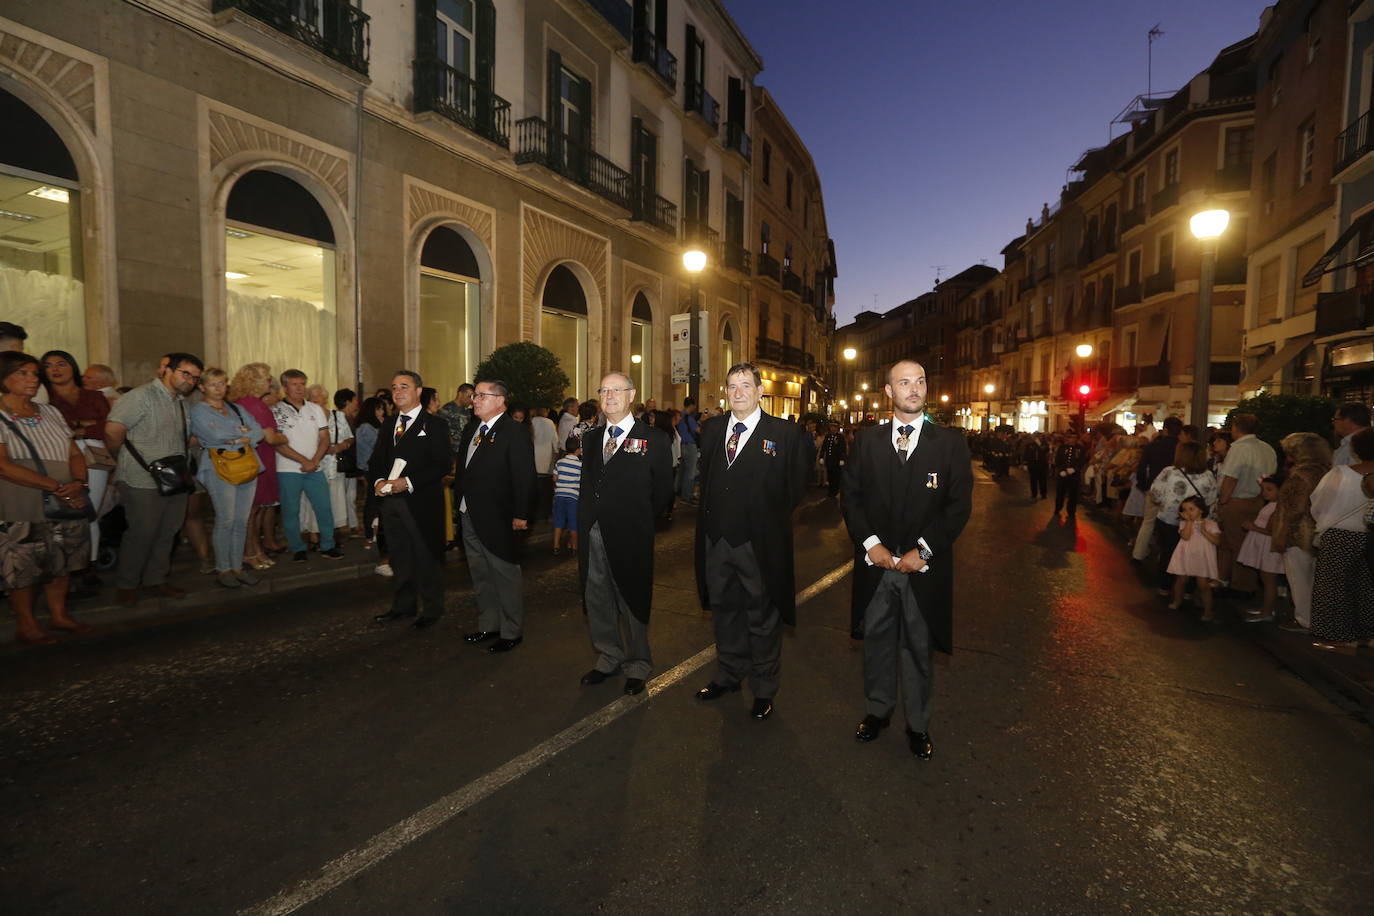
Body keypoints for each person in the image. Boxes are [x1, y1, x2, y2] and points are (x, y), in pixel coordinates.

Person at [841, 360, 973, 760]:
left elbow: (957, 507)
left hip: (923, 571)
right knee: (878, 643)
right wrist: (871, 545)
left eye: (919, 382)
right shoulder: (866, 442)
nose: (914, 389)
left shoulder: (951, 443)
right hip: (876, 569)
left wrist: (924, 551)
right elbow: (852, 498)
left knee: (918, 648)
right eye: (904, 383)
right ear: (888, 392)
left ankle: (918, 725)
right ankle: (878, 712)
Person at [693, 362, 810, 720]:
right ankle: (729, 674)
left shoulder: (785, 435)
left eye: (745, 385)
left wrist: (764, 519)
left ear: (760, 391)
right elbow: (708, 480)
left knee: (762, 619)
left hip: (758, 544)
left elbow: (796, 486)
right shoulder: (711, 430)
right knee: (725, 612)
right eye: (732, 386)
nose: (738, 392)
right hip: (716, 542)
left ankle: (763, 688)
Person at [576, 372, 674, 695]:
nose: (609, 396)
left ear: (632, 395)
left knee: (631, 599)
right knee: (597, 598)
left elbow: (663, 492)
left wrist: (640, 520)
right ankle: (608, 657)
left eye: (617, 390)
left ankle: (638, 664)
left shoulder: (653, 439)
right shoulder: (590, 439)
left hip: (631, 535)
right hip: (593, 534)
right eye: (604, 390)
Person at [0, 351, 93, 644]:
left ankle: (58, 615)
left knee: (62, 558)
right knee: (24, 562)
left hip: (65, 495)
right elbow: (2, 465)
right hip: (21, 498)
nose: (32, 379)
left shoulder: (50, 411)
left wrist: (78, 481)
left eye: (33, 374)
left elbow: (74, 452)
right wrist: (55, 485)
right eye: (23, 373)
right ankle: (27, 624)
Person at [104, 352, 202, 607]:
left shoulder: (181, 403)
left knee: (168, 531)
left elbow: (182, 438)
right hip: (141, 478)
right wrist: (123, 460)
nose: (190, 380)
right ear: (166, 368)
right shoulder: (139, 396)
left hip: (175, 476)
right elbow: (113, 431)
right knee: (142, 532)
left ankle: (156, 580)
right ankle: (127, 585)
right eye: (185, 373)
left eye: (194, 377)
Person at [452, 378, 536, 652]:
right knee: (480, 572)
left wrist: (521, 513)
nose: (474, 400)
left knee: (504, 572)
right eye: (474, 396)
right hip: (468, 512)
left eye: (481, 396)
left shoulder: (514, 431)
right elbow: (464, 471)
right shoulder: (471, 430)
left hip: (499, 515)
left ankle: (512, 630)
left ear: (500, 400)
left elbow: (524, 475)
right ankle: (489, 624)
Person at [369, 371, 453, 629]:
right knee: (399, 555)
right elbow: (377, 461)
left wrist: (407, 482)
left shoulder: (435, 425)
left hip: (420, 502)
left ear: (418, 391)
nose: (398, 392)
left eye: (404, 386)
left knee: (425, 555)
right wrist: (378, 482)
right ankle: (403, 606)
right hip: (391, 503)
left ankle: (431, 609)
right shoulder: (388, 424)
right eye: (394, 387)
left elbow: (442, 464)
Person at [189, 368, 264, 589]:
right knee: (226, 519)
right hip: (218, 467)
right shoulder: (199, 411)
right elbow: (213, 436)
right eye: (213, 384)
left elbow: (258, 432)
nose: (219, 388)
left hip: (246, 464)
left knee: (242, 520)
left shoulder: (235, 408)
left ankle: (237, 567)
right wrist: (241, 435)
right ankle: (223, 569)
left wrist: (235, 438)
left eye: (222, 383)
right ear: (202, 387)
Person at [40, 350, 112, 571]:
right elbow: (53, 430)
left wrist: (76, 427)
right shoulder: (43, 399)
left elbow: (106, 426)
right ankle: (61, 568)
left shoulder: (94, 396)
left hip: (94, 455)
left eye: (61, 364)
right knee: (60, 511)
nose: (55, 369)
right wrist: (84, 425)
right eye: (49, 365)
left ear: (72, 367)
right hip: (58, 457)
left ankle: (88, 567)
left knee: (89, 511)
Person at [1308, 427, 1374, 650]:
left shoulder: (1341, 474)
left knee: (1334, 587)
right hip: (1369, 535)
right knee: (1366, 588)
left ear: (1356, 449)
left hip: (1339, 534)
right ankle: (1367, 633)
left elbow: (1318, 503)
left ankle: (1338, 637)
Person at [271, 369, 343, 562]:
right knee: (290, 510)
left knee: (324, 507)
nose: (299, 388)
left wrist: (314, 461)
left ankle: (328, 545)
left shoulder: (315, 408)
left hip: (315, 467)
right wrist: (304, 461)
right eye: (294, 384)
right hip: (287, 469)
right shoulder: (276, 410)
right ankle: (297, 547)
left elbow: (325, 437)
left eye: (302, 384)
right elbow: (278, 443)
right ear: (285, 387)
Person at [1269, 432, 1332, 634]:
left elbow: (1293, 508)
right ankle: (1315, 619)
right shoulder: (1325, 471)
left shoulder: (1300, 475)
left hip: (1298, 534)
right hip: (1318, 530)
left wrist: (1281, 531)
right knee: (1313, 578)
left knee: (1299, 579)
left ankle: (1304, 620)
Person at [228, 363, 288, 569]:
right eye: (267, 378)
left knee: (252, 510)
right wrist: (284, 437)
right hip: (258, 460)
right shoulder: (256, 405)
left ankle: (255, 551)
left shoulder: (242, 403)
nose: (270, 381)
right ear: (254, 382)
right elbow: (270, 438)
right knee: (251, 511)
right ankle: (250, 553)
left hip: (254, 459)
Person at [1216, 413, 1278, 593]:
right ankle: (1223, 578)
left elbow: (1231, 478)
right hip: (1259, 500)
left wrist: (1223, 501)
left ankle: (1242, 586)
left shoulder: (1239, 448)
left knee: (1237, 544)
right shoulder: (1267, 448)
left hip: (1237, 500)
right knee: (1234, 542)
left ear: (1236, 428)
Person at [1149, 441, 1220, 596]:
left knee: (1168, 553)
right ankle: (1188, 590)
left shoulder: (1169, 472)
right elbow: (1212, 500)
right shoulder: (1208, 475)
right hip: (1196, 523)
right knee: (1192, 556)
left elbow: (1155, 494)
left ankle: (1165, 586)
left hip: (1169, 519)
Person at [298, 384, 357, 546]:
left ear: (325, 398)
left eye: (319, 394)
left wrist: (338, 447)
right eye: (312, 395)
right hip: (315, 464)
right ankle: (314, 533)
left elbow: (350, 438)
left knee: (335, 500)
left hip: (334, 464)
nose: (316, 398)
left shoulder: (337, 416)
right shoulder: (304, 417)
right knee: (313, 500)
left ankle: (331, 533)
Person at [1132, 416, 1183, 562]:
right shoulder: (1182, 448)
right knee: (1172, 525)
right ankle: (1167, 557)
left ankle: (1138, 554)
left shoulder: (1152, 446)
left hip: (1154, 488)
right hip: (1176, 491)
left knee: (1148, 522)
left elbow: (1142, 468)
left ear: (1165, 429)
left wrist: (1143, 485)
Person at [1237, 475, 1285, 624]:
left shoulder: (1278, 508)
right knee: (1265, 579)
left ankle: (1267, 612)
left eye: (1269, 489)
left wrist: (1253, 527)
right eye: (1263, 489)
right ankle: (1266, 608)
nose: (1265, 492)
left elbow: (1272, 531)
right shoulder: (1271, 504)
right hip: (1264, 545)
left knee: (1269, 581)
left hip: (1269, 547)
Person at [1166, 496, 1222, 620]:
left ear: (1201, 510)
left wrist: (1204, 531)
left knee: (1203, 585)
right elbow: (1185, 536)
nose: (1188, 512)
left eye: (1191, 509)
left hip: (1202, 558)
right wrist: (1189, 522)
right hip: (1185, 555)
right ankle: (1177, 600)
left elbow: (1217, 541)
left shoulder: (1211, 524)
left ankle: (1208, 611)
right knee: (1181, 580)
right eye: (1184, 510)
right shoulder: (1184, 523)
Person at [355, 396, 393, 577]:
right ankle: (370, 535)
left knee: (377, 502)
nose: (381, 412)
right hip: (372, 469)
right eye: (378, 409)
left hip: (378, 468)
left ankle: (374, 534)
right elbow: (380, 445)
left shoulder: (376, 425)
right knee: (372, 501)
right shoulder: (366, 427)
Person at [552, 435, 582, 556]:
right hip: (573, 497)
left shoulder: (559, 462)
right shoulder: (580, 465)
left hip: (559, 495)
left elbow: (554, 478)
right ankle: (574, 546)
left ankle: (556, 546)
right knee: (573, 522)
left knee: (558, 521)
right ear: (578, 450)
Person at [529, 405, 559, 522]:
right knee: (545, 487)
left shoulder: (531, 422)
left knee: (533, 486)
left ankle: (534, 511)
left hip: (532, 457)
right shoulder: (550, 423)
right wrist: (556, 453)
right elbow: (555, 441)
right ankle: (544, 513)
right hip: (546, 457)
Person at [1052, 431, 1086, 522]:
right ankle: (1058, 508)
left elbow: (1081, 461)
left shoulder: (1080, 449)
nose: (1072, 439)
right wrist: (1062, 469)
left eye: (1074, 437)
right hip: (1062, 474)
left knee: (1073, 494)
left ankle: (1071, 511)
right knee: (1060, 493)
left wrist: (1074, 469)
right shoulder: (1062, 448)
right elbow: (1057, 460)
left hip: (1074, 475)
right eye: (1071, 437)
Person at [437, 384, 475, 459]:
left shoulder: (467, 411)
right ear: (460, 394)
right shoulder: (447, 410)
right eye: (469, 396)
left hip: (465, 451)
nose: (471, 400)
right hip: (452, 453)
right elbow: (442, 434)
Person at [676, 397, 701, 503]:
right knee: (690, 472)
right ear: (691, 405)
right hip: (690, 445)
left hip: (681, 445)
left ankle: (678, 491)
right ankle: (687, 496)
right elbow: (698, 430)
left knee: (682, 470)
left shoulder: (680, 416)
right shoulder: (688, 418)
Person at [820, 420, 848, 498]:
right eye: (831, 427)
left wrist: (842, 459)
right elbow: (824, 447)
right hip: (829, 460)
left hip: (836, 460)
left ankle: (835, 491)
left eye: (834, 427)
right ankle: (830, 491)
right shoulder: (827, 436)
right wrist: (821, 457)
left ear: (837, 428)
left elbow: (843, 449)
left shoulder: (840, 437)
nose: (832, 429)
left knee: (836, 476)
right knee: (830, 476)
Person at [1025, 432, 1049, 501]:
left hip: (1042, 465)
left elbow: (1044, 450)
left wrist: (1039, 443)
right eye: (1035, 436)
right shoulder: (1030, 445)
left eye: (1038, 436)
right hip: (1033, 465)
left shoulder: (1044, 444)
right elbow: (1027, 454)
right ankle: (1034, 494)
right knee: (1033, 480)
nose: (1037, 438)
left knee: (1043, 480)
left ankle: (1043, 494)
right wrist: (1025, 463)